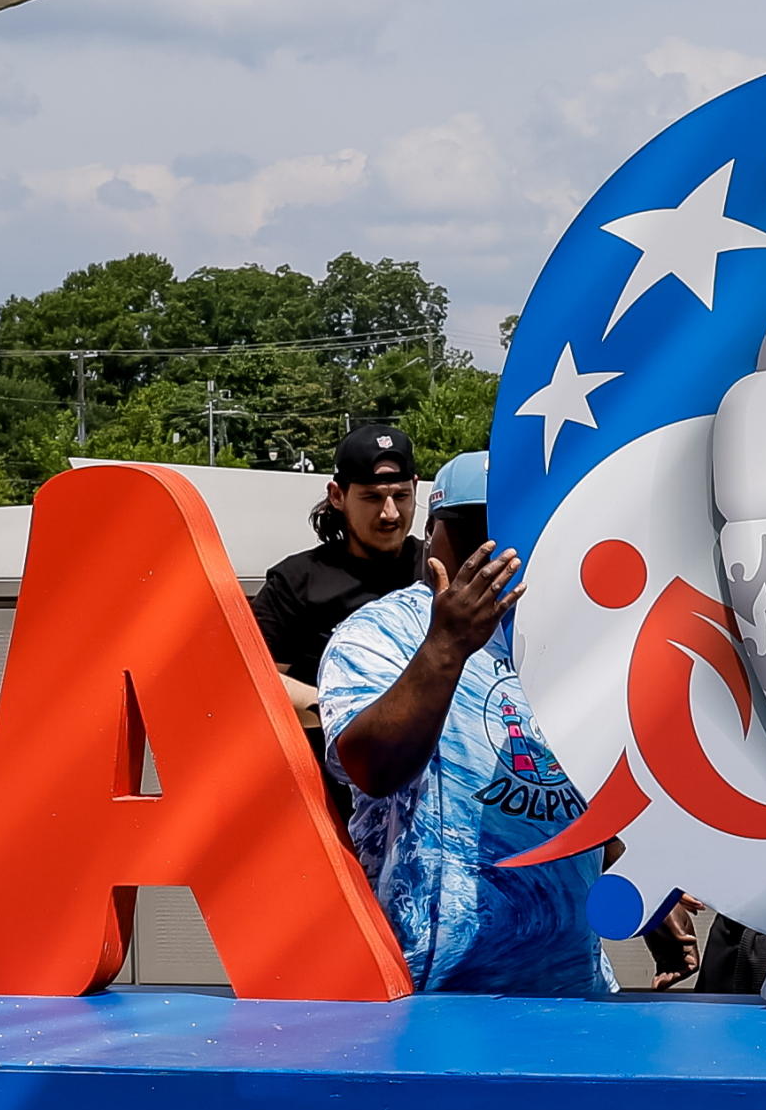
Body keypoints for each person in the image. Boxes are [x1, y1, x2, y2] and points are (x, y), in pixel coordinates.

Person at [313, 456, 614, 997]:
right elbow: (371, 766)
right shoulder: (384, 631)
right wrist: (447, 644)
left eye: (511, 526)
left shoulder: (572, 635)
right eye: (471, 529)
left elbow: (583, 784)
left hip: (572, 980)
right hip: (431, 985)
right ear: (432, 537)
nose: (491, 550)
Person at [251, 423, 426, 716]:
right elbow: (251, 676)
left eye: (401, 496)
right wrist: (339, 708)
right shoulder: (295, 582)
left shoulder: (438, 568)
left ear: (416, 488)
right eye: (372, 497)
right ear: (337, 496)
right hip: (330, 754)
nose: (390, 513)